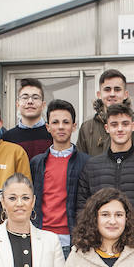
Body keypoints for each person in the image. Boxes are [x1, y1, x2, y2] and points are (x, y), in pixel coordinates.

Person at [29, 99, 90, 258]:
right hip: (41, 237)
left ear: (74, 126)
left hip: (71, 239)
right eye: (55, 122)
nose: (61, 127)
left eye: (66, 122)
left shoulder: (86, 162)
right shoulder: (37, 162)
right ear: (48, 127)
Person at [76, 103, 134, 214]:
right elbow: (82, 205)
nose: (120, 129)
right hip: (100, 230)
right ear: (107, 128)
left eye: (125, 124)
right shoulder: (92, 166)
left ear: (133, 126)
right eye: (114, 124)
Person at [77, 69, 134, 155]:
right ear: (99, 94)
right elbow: (80, 162)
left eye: (117, 89)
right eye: (107, 89)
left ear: (125, 94)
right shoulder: (87, 127)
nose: (112, 94)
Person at [2, 78, 53, 159]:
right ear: (17, 104)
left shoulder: (53, 133)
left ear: (43, 105)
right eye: (25, 97)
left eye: (35, 98)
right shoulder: (7, 138)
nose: (30, 101)